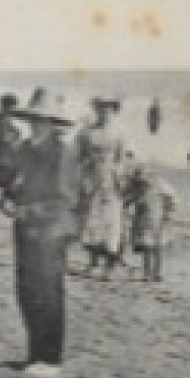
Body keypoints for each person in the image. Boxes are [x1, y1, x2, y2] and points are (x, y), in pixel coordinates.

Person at [0, 88, 81, 377]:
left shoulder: (62, 151)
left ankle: (50, 359)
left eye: (42, 120)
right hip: (27, 227)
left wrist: (28, 210)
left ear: (53, 123)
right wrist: (1, 135)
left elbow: (66, 199)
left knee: (47, 291)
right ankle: (35, 355)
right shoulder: (26, 148)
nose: (36, 125)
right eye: (33, 120)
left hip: (51, 228)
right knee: (27, 291)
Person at [74, 94, 129, 279]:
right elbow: (78, 157)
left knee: (111, 223)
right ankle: (92, 263)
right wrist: (82, 177)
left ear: (114, 110)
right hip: (91, 178)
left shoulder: (120, 133)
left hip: (112, 180)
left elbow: (122, 159)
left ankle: (110, 267)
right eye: (101, 108)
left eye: (109, 108)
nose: (105, 111)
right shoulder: (87, 132)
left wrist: (119, 178)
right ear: (96, 109)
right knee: (91, 222)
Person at [122, 162, 178, 282]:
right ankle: (147, 273)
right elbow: (128, 198)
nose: (143, 181)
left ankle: (157, 273)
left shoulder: (160, 185)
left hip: (158, 220)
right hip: (142, 220)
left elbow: (172, 197)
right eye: (140, 178)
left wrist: (169, 213)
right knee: (146, 247)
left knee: (157, 248)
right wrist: (124, 205)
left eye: (144, 177)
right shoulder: (138, 188)